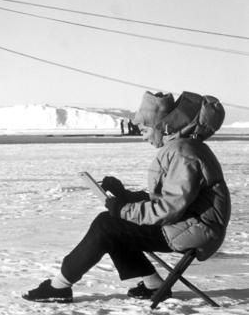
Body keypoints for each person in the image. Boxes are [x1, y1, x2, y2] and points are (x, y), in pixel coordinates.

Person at [22, 90, 231, 304]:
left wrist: (123, 210)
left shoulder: (183, 152)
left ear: (163, 126)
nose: (143, 135)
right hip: (190, 224)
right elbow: (168, 199)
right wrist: (125, 196)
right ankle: (154, 285)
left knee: (107, 225)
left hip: (196, 230)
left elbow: (169, 207)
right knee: (116, 224)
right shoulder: (183, 148)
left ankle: (59, 287)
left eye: (145, 128)